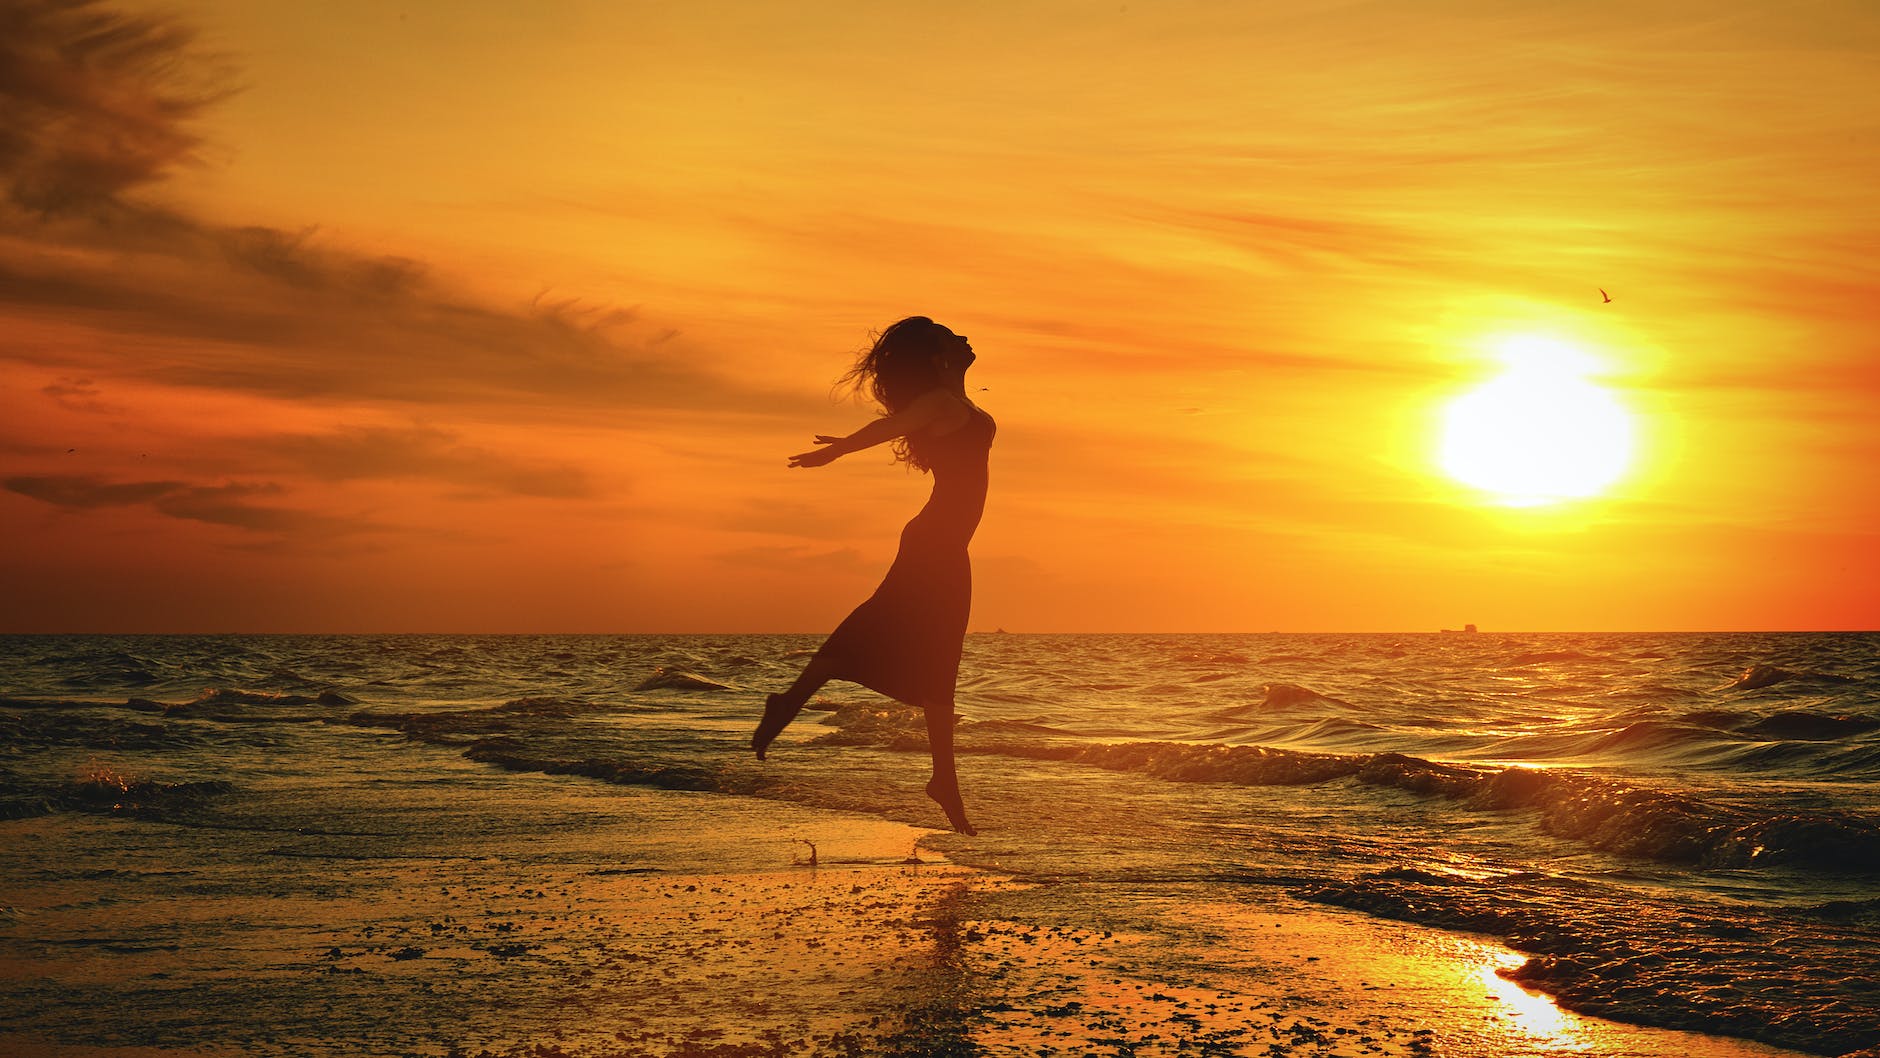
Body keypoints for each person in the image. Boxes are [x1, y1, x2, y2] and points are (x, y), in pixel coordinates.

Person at [753, 316, 994, 836]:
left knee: (931, 653)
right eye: (953, 337)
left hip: (947, 544)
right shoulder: (939, 405)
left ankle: (939, 778)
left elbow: (904, 421)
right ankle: (942, 781)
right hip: (935, 541)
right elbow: (892, 425)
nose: (965, 339)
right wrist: (839, 449)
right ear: (938, 358)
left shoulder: (958, 402)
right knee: (916, 645)